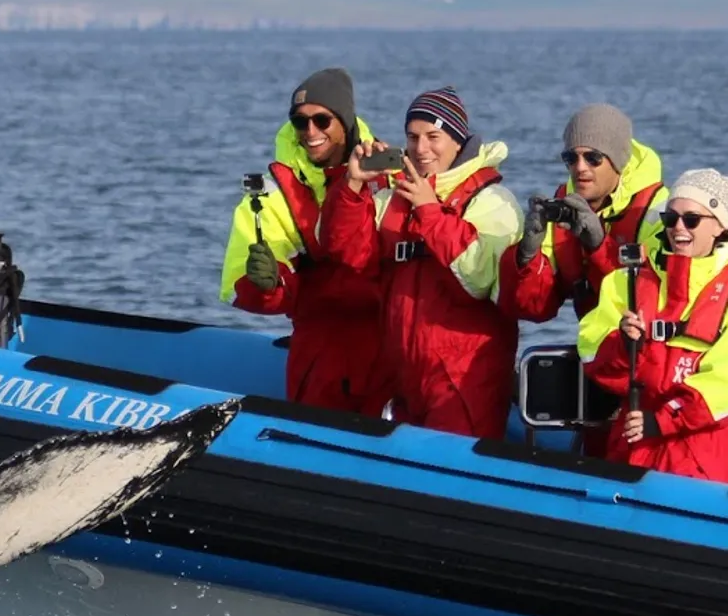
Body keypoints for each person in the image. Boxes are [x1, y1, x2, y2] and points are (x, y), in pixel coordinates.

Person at [317, 85, 522, 438]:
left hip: (463, 383)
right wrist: (353, 187)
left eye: (433, 136)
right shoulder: (395, 196)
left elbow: (481, 279)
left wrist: (430, 211)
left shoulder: (493, 202)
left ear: (458, 142)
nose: (421, 148)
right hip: (404, 379)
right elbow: (344, 251)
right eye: (413, 137)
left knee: (453, 480)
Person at [219, 68, 388, 414]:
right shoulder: (271, 195)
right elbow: (240, 287)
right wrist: (265, 284)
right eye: (300, 121)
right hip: (319, 359)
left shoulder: (391, 176)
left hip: (390, 355)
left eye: (322, 120)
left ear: (345, 120)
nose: (310, 131)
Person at [579, 169, 728, 482]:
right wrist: (623, 345)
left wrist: (663, 420)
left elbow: (721, 385)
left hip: (702, 456)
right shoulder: (626, 282)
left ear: (720, 226)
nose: (678, 228)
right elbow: (592, 357)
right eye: (670, 217)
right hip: (633, 441)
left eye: (692, 219)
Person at [498, 103, 667, 323]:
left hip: (644, 349)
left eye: (593, 158)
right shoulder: (563, 206)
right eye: (571, 158)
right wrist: (525, 256)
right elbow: (533, 309)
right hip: (593, 349)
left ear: (618, 161)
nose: (580, 167)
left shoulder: (660, 212)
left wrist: (600, 248)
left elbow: (654, 306)